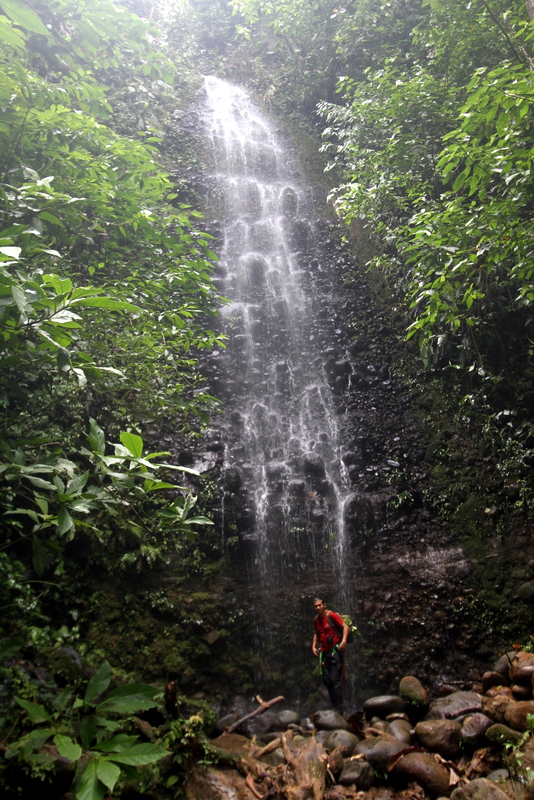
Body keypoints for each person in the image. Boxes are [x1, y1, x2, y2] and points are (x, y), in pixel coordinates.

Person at [311, 597, 349, 712]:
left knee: (335, 680)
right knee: (327, 681)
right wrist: (313, 646)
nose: (318, 607)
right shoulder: (316, 620)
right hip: (324, 652)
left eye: (319, 605)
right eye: (316, 606)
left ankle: (340, 708)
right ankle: (334, 706)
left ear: (324, 605)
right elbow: (317, 633)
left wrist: (343, 642)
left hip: (334, 651)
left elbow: (345, 627)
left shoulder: (331, 615)